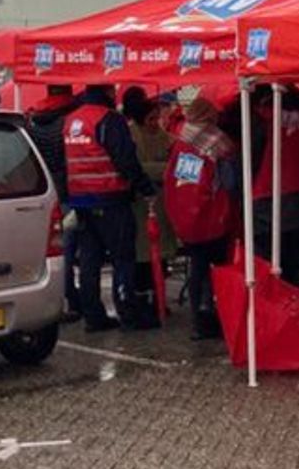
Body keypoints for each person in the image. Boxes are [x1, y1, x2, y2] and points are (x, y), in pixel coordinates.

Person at [63, 84, 157, 331]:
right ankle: (128, 312)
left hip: (80, 199)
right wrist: (145, 188)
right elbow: (125, 159)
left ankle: (93, 316)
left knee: (89, 262)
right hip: (110, 197)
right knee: (123, 258)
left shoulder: (71, 120)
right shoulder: (108, 119)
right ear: (106, 92)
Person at [164, 95, 238, 340]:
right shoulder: (218, 144)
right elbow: (229, 183)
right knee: (217, 269)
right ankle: (214, 316)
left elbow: (178, 183)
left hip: (186, 220)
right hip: (213, 218)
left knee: (196, 269)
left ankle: (198, 320)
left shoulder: (181, 142)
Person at [251, 86, 299, 288]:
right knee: (298, 263)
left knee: (268, 264)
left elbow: (252, 158)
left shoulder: (264, 118)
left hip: (264, 197)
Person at [122, 87, 176, 329]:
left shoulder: (164, 136)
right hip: (140, 206)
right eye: (152, 118)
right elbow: (137, 166)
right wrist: (162, 169)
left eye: (158, 117)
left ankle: (160, 299)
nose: (157, 122)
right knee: (143, 260)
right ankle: (145, 303)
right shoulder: (131, 135)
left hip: (161, 206)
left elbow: (175, 157)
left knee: (161, 257)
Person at [27, 84, 79, 319]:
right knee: (66, 251)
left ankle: (64, 297)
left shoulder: (35, 121)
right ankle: (69, 299)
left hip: (46, 191)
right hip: (67, 191)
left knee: (56, 251)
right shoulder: (68, 122)